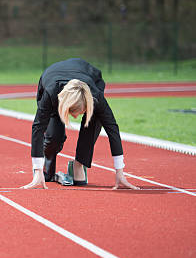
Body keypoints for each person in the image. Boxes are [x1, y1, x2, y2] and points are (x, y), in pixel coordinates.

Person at [22, 58, 139, 190]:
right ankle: (46, 164)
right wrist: (37, 170)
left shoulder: (96, 97)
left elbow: (112, 128)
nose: (76, 116)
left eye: (81, 111)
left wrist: (120, 173)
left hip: (89, 77)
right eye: (72, 112)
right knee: (54, 137)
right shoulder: (50, 94)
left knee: (95, 118)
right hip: (52, 79)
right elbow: (38, 127)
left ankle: (79, 164)